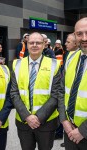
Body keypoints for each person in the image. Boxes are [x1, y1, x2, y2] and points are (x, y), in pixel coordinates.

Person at [11, 32, 61, 150]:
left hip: (47, 122)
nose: (34, 45)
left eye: (38, 43)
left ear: (44, 45)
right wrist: (27, 116)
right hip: (24, 122)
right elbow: (14, 93)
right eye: (31, 42)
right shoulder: (16, 64)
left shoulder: (55, 64)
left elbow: (56, 94)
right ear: (27, 44)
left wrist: (38, 117)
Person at [59, 17, 87, 150]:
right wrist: (64, 120)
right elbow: (61, 91)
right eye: (79, 33)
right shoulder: (70, 57)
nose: (84, 38)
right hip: (69, 129)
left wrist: (83, 131)